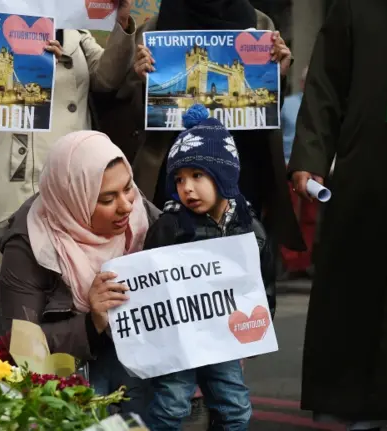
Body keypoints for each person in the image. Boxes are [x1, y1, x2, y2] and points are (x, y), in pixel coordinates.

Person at [0, 0, 137, 360]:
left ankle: (64, 368)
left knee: (67, 276)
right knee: (3, 273)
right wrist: (25, 57)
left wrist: (124, 20)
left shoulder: (76, 32)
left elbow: (107, 77)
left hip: (75, 179)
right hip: (16, 170)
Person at [107, 0, 305, 257]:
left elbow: (264, 116)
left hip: (244, 178)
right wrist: (147, 84)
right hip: (172, 180)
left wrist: (275, 77)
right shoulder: (153, 30)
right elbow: (135, 119)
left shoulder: (260, 26)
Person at [0, 131, 159, 417]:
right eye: (107, 199)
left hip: (136, 365)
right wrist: (91, 322)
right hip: (71, 374)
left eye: (127, 187)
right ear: (75, 199)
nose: (127, 205)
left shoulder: (143, 217)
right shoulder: (30, 242)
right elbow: (16, 347)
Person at [288, 0, 387, 428]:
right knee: (361, 282)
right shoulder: (359, 7)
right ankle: (360, 403)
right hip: (370, 166)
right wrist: (310, 155)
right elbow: (325, 83)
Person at [142, 105, 275, 430]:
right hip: (178, 337)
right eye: (179, 178)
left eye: (197, 176)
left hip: (224, 337)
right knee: (171, 406)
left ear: (225, 175)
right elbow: (147, 285)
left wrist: (260, 326)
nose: (186, 187)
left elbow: (263, 281)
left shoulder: (249, 227)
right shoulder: (168, 226)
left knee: (236, 409)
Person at [280, 66, 317, 278]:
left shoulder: (323, 108)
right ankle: (290, 263)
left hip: (315, 168)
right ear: (303, 83)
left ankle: (304, 263)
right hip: (288, 164)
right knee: (290, 215)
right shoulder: (289, 104)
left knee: (310, 217)